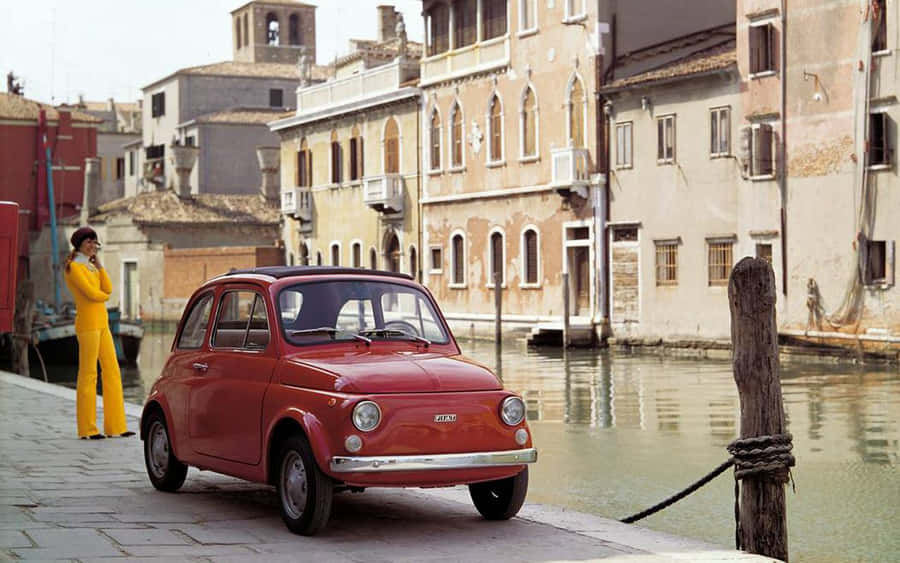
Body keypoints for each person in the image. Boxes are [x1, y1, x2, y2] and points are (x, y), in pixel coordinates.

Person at [63, 227, 134, 440]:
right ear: (79, 244)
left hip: (102, 324)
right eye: (89, 242)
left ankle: (116, 426)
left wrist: (100, 265)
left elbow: (108, 288)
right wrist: (103, 295)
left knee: (112, 371)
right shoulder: (73, 268)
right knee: (88, 374)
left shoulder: (92, 267)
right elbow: (94, 294)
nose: (93, 246)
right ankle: (87, 428)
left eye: (95, 243)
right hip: (87, 325)